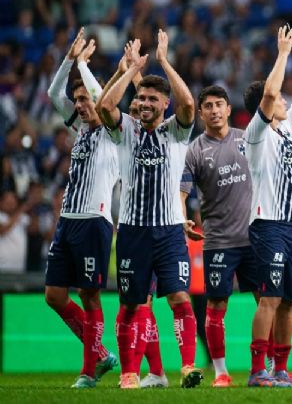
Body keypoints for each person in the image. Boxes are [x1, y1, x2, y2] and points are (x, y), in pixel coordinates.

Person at [96, 30, 203, 389]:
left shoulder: (175, 131)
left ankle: (187, 367)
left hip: (169, 230)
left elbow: (188, 104)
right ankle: (130, 373)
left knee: (178, 296)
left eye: (151, 99)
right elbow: (104, 107)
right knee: (131, 304)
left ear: (164, 105)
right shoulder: (124, 129)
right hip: (132, 231)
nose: (143, 103)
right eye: (139, 98)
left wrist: (164, 62)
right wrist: (130, 70)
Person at [44, 29, 119, 388]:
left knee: (89, 295)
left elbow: (103, 100)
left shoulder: (113, 132)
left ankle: (89, 371)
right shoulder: (81, 131)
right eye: (76, 100)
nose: (79, 104)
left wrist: (84, 65)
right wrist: (69, 60)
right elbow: (51, 94)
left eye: (84, 98)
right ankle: (101, 353)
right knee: (54, 296)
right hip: (67, 221)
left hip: (94, 221)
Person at [243, 26, 292, 387]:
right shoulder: (255, 134)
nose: (286, 102)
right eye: (279, 101)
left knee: (287, 300)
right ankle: (258, 371)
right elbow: (272, 90)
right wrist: (283, 52)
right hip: (267, 224)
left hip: (290, 226)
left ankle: (281, 369)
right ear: (267, 107)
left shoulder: (286, 130)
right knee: (269, 298)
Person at [179, 85, 268, 388]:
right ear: (201, 113)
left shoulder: (248, 139)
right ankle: (221, 372)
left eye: (220, 104)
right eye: (208, 106)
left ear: (229, 109)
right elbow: (182, 191)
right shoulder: (195, 150)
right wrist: (181, 218)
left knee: (266, 302)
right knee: (216, 306)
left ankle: (265, 367)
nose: (215, 110)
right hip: (218, 242)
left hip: (254, 238)